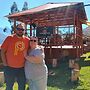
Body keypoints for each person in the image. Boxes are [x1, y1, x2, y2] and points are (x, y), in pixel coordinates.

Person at [1, 23, 29, 90]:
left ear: (24, 30)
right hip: (9, 68)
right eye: (18, 29)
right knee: (9, 86)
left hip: (22, 68)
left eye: (22, 29)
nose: (20, 30)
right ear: (15, 30)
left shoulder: (27, 40)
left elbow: (33, 47)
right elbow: (2, 51)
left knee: (22, 86)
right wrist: (5, 63)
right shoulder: (9, 38)